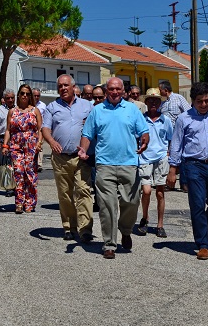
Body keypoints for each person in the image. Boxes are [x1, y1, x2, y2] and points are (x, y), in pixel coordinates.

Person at [78, 77, 149, 259]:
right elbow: (87, 134)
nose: (115, 92)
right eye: (111, 89)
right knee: (107, 206)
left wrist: (144, 142)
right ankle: (109, 243)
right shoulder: (97, 111)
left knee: (131, 202)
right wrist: (83, 150)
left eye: (118, 89)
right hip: (104, 164)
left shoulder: (132, 109)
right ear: (106, 90)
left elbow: (144, 131)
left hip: (129, 163)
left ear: (123, 91)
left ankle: (126, 230)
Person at [167, 82, 208, 260]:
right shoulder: (183, 119)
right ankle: (203, 244)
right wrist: (173, 169)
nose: (204, 105)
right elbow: (176, 145)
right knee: (197, 204)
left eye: (207, 101)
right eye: (199, 101)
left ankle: (205, 231)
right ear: (192, 101)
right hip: (193, 165)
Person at [42, 75, 94, 241]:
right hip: (60, 158)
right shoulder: (52, 107)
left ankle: (85, 229)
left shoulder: (87, 106)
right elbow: (45, 128)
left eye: (65, 85)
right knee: (65, 194)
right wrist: (51, 141)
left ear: (73, 87)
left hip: (81, 157)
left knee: (84, 191)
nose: (63, 88)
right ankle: (69, 228)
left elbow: (96, 126)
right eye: (60, 86)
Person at [136, 88, 173, 238]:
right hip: (144, 158)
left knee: (160, 193)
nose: (153, 103)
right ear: (145, 102)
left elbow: (170, 139)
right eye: (150, 100)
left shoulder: (166, 120)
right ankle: (145, 218)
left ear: (160, 103)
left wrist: (169, 155)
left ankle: (160, 224)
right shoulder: (140, 119)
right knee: (146, 191)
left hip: (161, 158)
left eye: (156, 100)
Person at [2, 84, 43, 214]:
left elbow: (40, 129)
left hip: (31, 145)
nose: (25, 96)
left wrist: (39, 143)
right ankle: (19, 203)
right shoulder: (12, 111)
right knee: (18, 172)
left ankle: (30, 202)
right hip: (16, 145)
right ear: (18, 95)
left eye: (27, 94)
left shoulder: (35, 110)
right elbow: (8, 129)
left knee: (29, 173)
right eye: (22, 93)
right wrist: (5, 145)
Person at [159, 80, 191, 192]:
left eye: (160, 90)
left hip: (180, 133)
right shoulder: (162, 104)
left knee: (182, 158)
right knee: (168, 158)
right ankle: (168, 182)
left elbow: (188, 111)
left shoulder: (178, 98)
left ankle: (184, 183)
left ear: (165, 90)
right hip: (167, 135)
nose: (159, 92)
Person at [0, 89, 16, 196]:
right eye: (8, 98)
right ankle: (9, 187)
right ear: (4, 99)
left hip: (16, 139)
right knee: (5, 164)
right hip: (2, 140)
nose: (10, 100)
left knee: (16, 164)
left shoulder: (18, 109)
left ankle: (18, 186)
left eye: (12, 98)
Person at [32, 88, 47, 172]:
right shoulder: (28, 105)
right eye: (35, 95)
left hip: (40, 128)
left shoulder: (43, 105)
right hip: (31, 129)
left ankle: (39, 163)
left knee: (39, 145)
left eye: (38, 96)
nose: (37, 97)